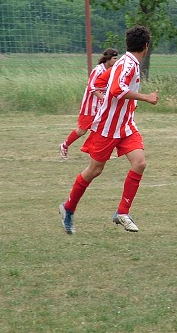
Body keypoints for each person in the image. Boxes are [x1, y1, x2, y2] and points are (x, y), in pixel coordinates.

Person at [58, 26, 159, 234]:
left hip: (126, 125)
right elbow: (115, 89)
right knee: (94, 170)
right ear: (146, 46)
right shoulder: (128, 64)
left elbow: (101, 83)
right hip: (107, 127)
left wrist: (110, 98)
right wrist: (145, 97)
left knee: (140, 163)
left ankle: (122, 212)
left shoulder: (124, 62)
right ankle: (68, 208)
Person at [59, 48, 119, 159]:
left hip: (101, 107)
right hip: (90, 106)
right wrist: (103, 98)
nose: (117, 61)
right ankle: (64, 145)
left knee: (103, 128)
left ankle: (100, 152)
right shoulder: (97, 70)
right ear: (108, 59)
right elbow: (92, 87)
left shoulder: (111, 71)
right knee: (82, 130)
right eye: (115, 58)